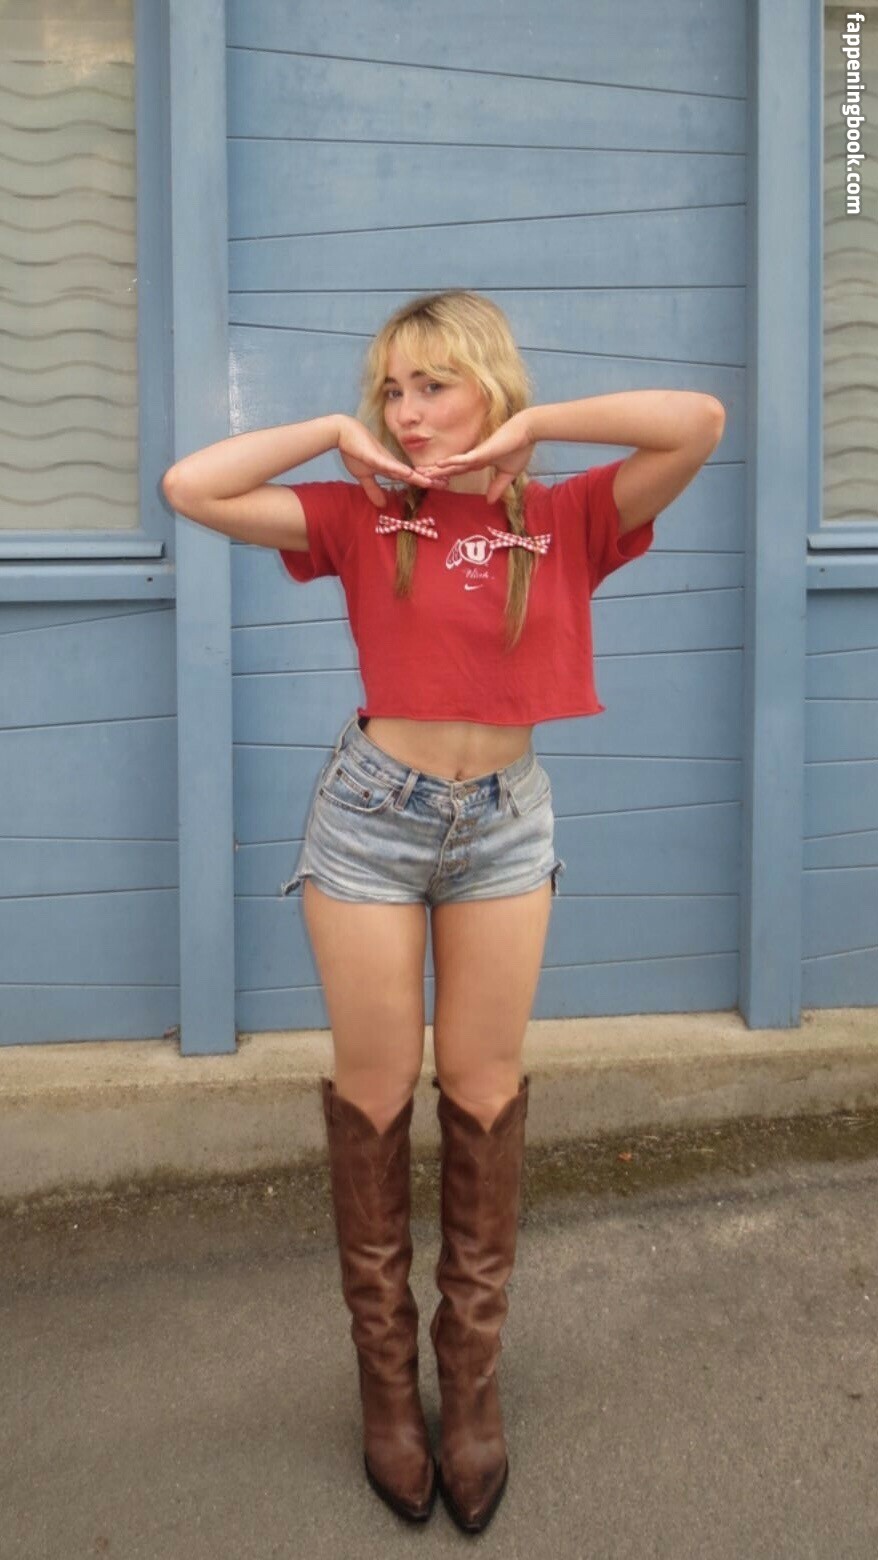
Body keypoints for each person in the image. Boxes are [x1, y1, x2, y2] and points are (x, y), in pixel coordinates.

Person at [162, 290, 726, 1534]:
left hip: (504, 827)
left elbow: (695, 420)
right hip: (370, 821)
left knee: (482, 1090)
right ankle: (385, 1388)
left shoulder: (570, 515)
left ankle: (465, 1384)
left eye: (432, 384)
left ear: (489, 386)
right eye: (391, 391)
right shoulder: (362, 515)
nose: (406, 412)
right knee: (375, 1097)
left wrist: (537, 430)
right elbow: (190, 487)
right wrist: (330, 433)